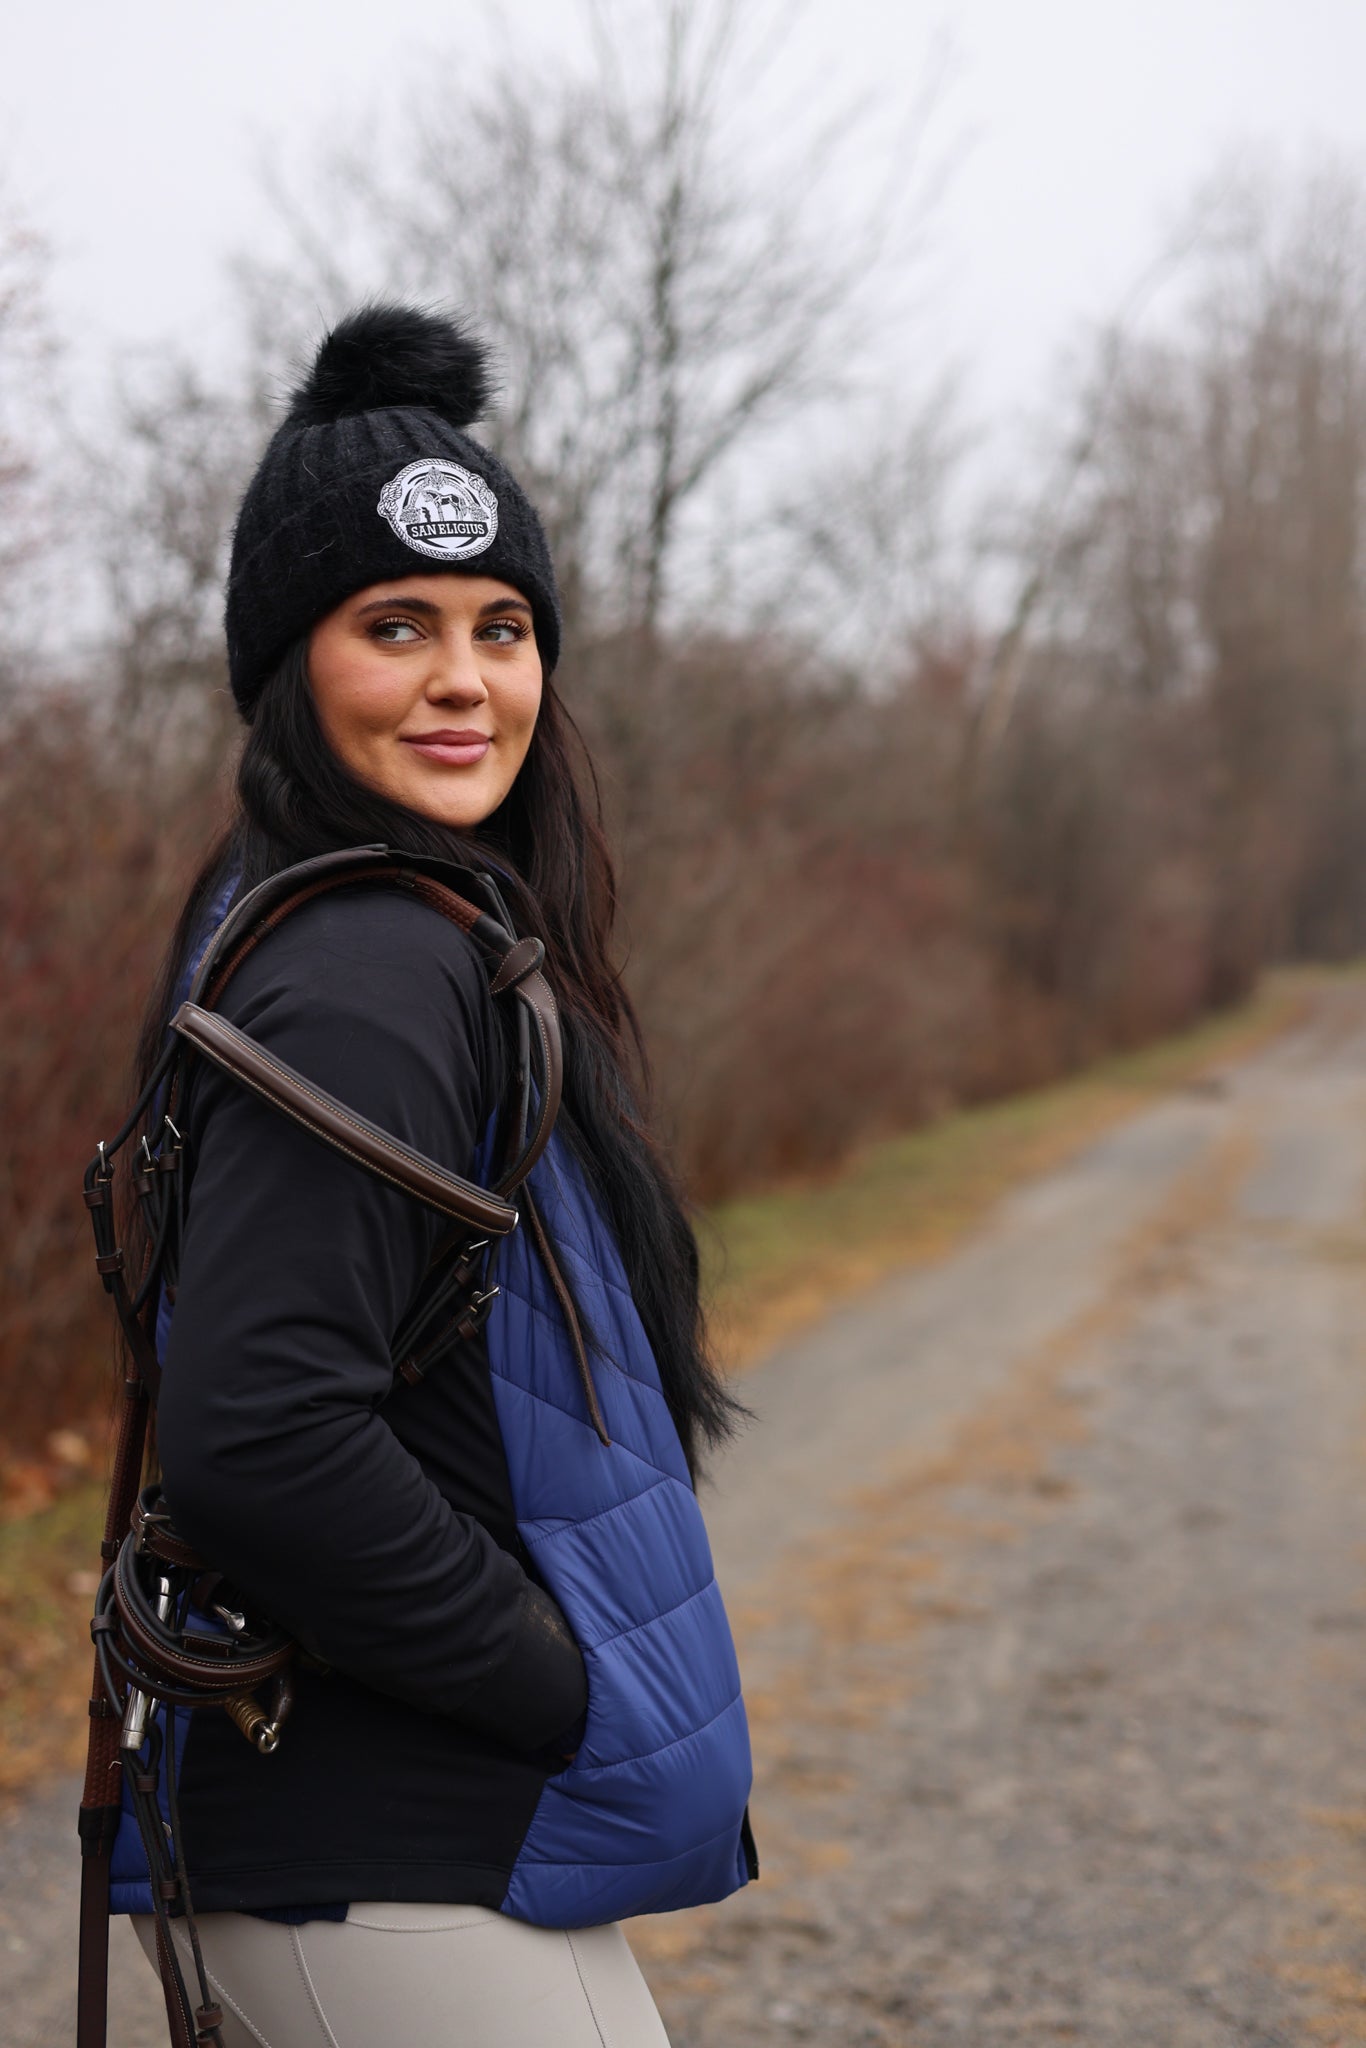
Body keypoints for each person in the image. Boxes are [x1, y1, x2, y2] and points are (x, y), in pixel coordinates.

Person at [110, 305, 756, 2048]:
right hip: (383, 1855)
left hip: (382, 1844)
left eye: (503, 628)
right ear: (290, 667)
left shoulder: (394, 930)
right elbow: (263, 1427)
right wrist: (550, 1685)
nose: (466, 680)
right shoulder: (371, 968)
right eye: (393, 626)